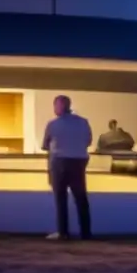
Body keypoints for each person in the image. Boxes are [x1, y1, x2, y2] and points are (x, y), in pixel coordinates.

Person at [41, 94, 92, 240]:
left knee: (60, 198)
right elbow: (88, 141)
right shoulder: (83, 122)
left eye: (55, 105)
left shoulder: (53, 124)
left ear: (59, 106)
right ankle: (86, 232)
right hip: (79, 162)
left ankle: (63, 232)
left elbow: (45, 145)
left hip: (60, 162)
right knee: (81, 198)